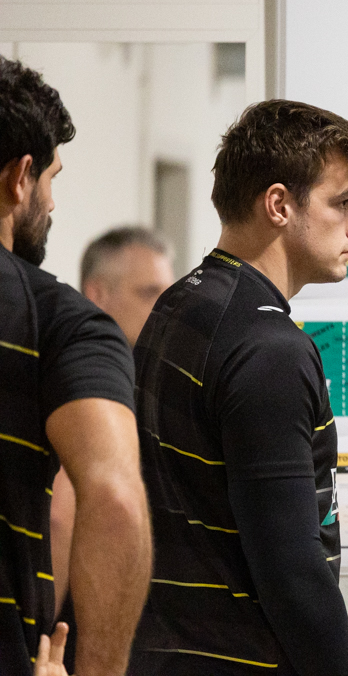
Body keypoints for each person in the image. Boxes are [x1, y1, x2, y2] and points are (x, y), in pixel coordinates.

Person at [130, 99, 348, 675]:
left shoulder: (181, 302)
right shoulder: (270, 348)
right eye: (342, 202)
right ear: (279, 205)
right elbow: (292, 570)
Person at [0, 55, 153, 676]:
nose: (52, 202)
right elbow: (113, 502)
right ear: (20, 177)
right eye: (51, 179)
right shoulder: (56, 321)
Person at [47, 227, 175, 667]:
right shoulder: (85, 375)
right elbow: (61, 516)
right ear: (97, 293)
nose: (163, 307)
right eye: (149, 293)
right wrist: (38, 645)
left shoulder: (146, 382)